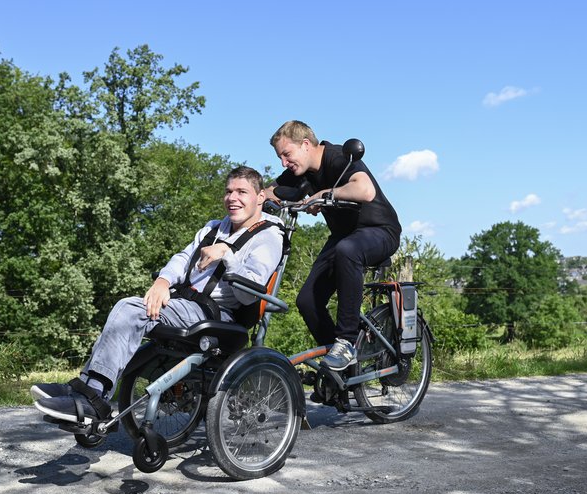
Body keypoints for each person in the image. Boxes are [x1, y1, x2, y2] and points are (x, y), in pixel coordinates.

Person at [33, 166, 284, 424]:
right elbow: (183, 258)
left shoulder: (268, 236)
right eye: (229, 191)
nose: (232, 198)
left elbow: (249, 296)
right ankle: (83, 389)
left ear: (260, 197)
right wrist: (162, 282)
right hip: (183, 303)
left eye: (242, 192)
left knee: (129, 309)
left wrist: (227, 256)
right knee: (128, 313)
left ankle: (93, 398)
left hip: (219, 315)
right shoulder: (213, 228)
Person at [268, 120, 401, 371]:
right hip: (344, 237)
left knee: (348, 250)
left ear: (305, 145)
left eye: (286, 154)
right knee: (307, 301)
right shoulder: (301, 172)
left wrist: (325, 193)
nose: (284, 163)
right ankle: (341, 373)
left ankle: (346, 343)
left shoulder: (339, 157)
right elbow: (269, 192)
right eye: (280, 158)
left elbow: (365, 190)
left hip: (380, 231)